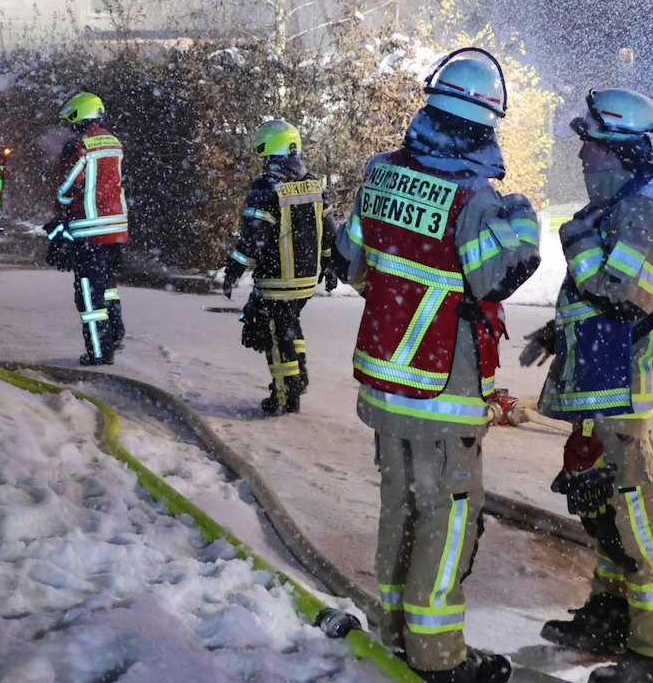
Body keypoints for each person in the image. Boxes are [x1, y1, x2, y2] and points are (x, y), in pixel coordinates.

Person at [332, 47, 541, 683]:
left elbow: (348, 259)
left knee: (399, 507)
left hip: (386, 379)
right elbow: (495, 278)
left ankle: (393, 631)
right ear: (485, 126)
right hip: (442, 389)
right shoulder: (475, 198)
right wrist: (524, 224)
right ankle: (437, 655)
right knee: (447, 520)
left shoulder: (382, 173)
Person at [528, 89, 653, 683]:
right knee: (604, 506)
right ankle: (609, 613)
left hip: (621, 388)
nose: (581, 156)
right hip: (605, 380)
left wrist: (573, 243)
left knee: (635, 511)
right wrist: (556, 332)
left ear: (619, 151)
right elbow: (606, 297)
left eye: (590, 145)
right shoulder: (631, 202)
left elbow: (626, 295)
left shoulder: (644, 211)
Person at [223, 118, 338, 415]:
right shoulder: (313, 183)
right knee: (289, 327)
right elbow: (328, 230)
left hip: (277, 279)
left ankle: (285, 396)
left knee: (275, 336)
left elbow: (252, 238)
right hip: (305, 281)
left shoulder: (266, 188)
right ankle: (298, 377)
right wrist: (329, 264)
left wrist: (234, 270)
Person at [51, 91, 129, 365]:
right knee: (107, 286)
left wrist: (62, 200)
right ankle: (115, 335)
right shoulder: (113, 141)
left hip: (89, 232)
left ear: (77, 115)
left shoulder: (80, 145)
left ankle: (98, 351)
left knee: (88, 295)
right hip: (116, 230)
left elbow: (68, 185)